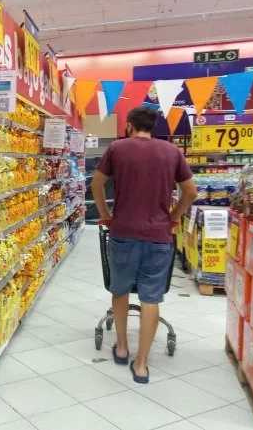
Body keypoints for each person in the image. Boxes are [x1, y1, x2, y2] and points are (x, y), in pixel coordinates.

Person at [90, 107, 197, 384]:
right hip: (159, 236)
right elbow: (191, 192)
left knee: (120, 290)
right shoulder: (172, 152)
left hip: (123, 232)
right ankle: (141, 365)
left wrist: (105, 215)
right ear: (154, 127)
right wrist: (173, 217)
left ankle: (122, 348)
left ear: (129, 125)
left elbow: (97, 184)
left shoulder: (117, 148)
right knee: (151, 298)